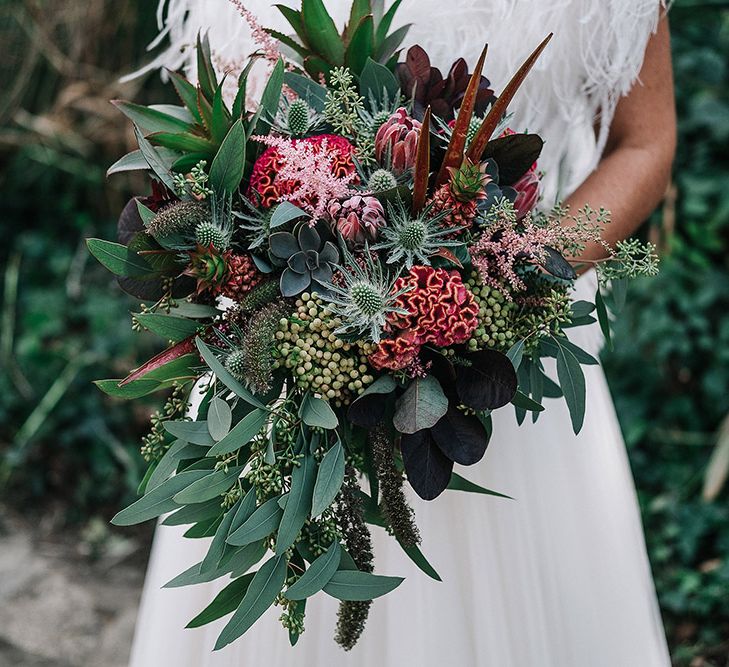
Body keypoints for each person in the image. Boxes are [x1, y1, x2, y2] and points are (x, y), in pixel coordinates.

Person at [129, 1, 676, 665]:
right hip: (282, 375)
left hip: (501, 371)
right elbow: (221, 135)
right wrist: (259, 276)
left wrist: (499, 277)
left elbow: (643, 142)